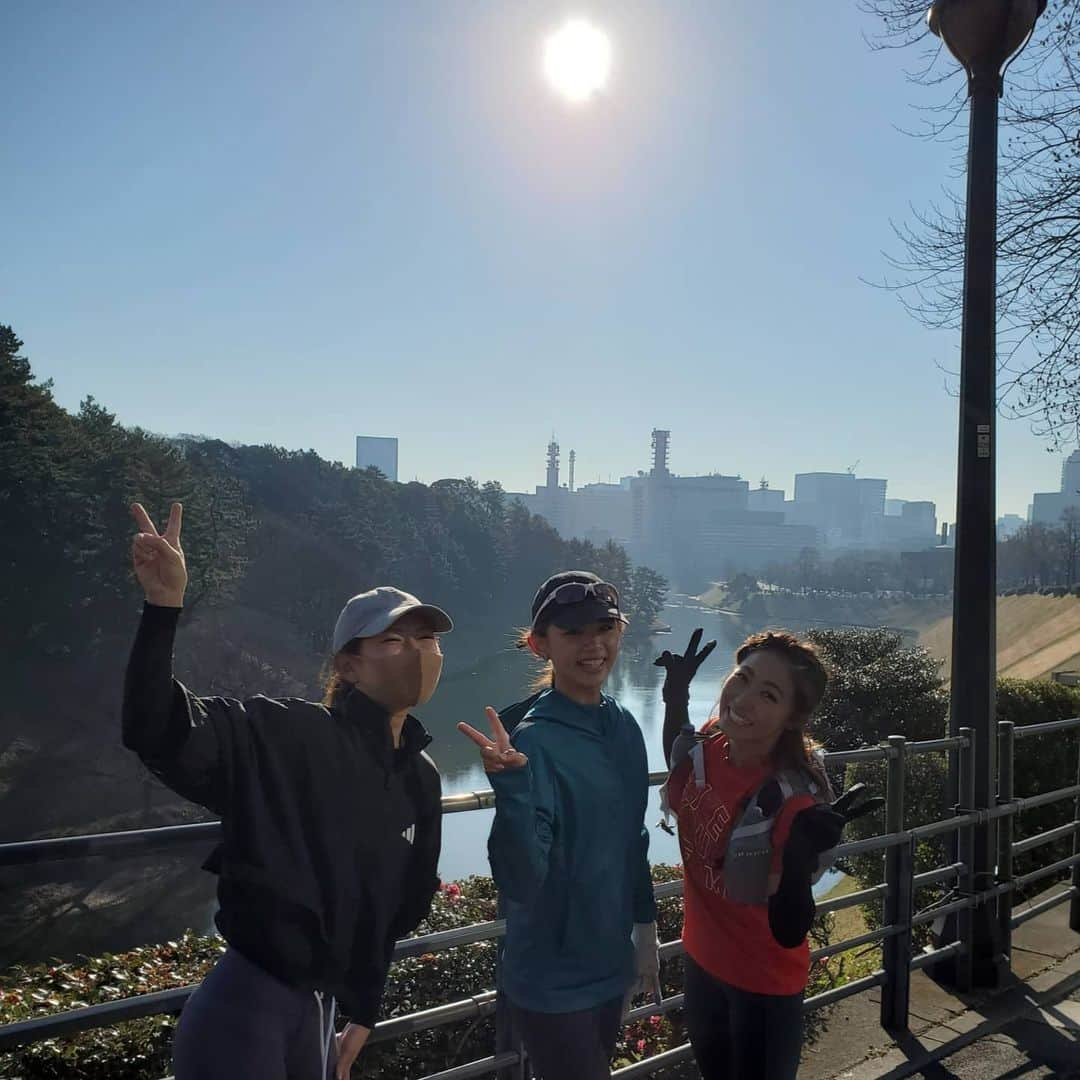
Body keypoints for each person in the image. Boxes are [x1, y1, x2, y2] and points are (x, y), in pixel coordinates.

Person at [122, 501, 450, 1080]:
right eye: (396, 643)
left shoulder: (419, 777)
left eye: (428, 640)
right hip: (245, 1008)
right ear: (347, 668)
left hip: (321, 1016)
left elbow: (393, 910)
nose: (421, 654)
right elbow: (159, 729)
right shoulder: (285, 734)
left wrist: (364, 1009)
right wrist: (163, 606)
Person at [458, 571, 660, 1080]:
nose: (593, 645)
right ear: (539, 645)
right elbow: (522, 879)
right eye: (573, 633)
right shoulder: (536, 741)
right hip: (552, 979)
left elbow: (634, 839)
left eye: (604, 628)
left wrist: (646, 933)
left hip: (610, 966)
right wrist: (513, 790)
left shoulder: (624, 727)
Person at [655, 629, 881, 1080]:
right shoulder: (712, 747)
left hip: (761, 983)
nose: (744, 699)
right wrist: (675, 697)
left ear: (792, 718)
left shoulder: (791, 799)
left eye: (769, 694)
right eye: (743, 678)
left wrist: (798, 858)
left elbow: (790, 929)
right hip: (701, 960)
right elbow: (683, 771)